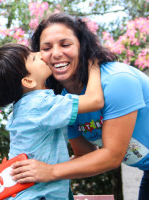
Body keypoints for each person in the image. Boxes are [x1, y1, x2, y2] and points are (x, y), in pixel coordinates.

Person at [10, 13, 149, 199]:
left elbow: (112, 156)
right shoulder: (63, 103)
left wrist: (50, 171)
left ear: (82, 47)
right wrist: (34, 172)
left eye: (65, 44)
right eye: (46, 48)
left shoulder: (117, 81)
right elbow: (85, 155)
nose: (56, 53)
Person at [0, 43, 104, 199]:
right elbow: (95, 100)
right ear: (28, 81)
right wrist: (93, 64)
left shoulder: (22, 108)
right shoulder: (40, 105)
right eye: (33, 57)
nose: (40, 54)